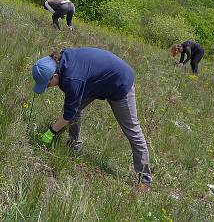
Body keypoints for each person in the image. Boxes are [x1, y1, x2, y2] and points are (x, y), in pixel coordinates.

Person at [31, 47, 152, 192]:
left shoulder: (72, 78)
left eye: (48, 84)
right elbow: (72, 108)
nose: (48, 88)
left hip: (120, 82)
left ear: (55, 75)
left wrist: (51, 132)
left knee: (132, 131)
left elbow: (67, 115)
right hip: (96, 82)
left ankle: (145, 181)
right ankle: (73, 145)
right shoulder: (63, 61)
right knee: (74, 110)